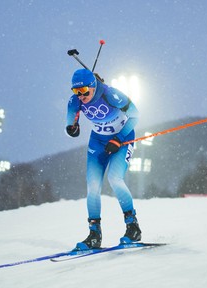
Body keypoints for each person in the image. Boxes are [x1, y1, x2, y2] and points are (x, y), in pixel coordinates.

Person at [66, 68, 142, 250]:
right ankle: (94, 235)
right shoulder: (75, 101)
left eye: (84, 91)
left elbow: (135, 115)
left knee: (114, 178)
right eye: (76, 91)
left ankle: (133, 228)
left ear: (93, 86)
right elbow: (70, 123)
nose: (81, 96)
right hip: (98, 142)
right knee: (92, 186)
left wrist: (118, 139)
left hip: (122, 138)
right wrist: (72, 128)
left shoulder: (111, 94)